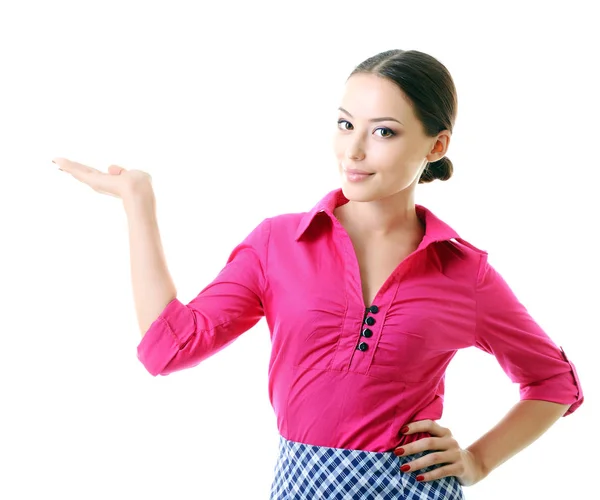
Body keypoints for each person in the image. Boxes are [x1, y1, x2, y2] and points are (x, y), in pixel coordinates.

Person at [53, 49, 584, 500]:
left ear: (436, 146)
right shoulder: (278, 244)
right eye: (345, 123)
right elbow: (166, 350)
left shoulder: (463, 272)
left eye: (383, 132)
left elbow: (553, 382)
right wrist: (137, 203)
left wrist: (476, 462)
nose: (353, 150)